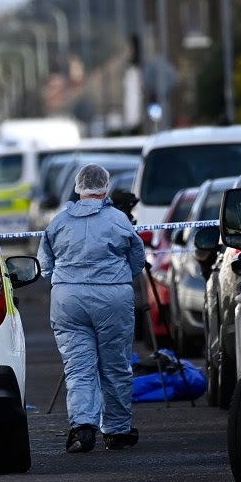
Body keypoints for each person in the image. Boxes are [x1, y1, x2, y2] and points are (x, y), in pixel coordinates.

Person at [38, 163, 146, 453]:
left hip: (68, 299)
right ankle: (116, 430)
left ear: (77, 188)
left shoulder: (58, 222)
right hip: (112, 297)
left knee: (79, 367)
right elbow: (137, 258)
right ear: (105, 188)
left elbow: (45, 264)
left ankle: (82, 427)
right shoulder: (119, 220)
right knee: (115, 366)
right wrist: (121, 277)